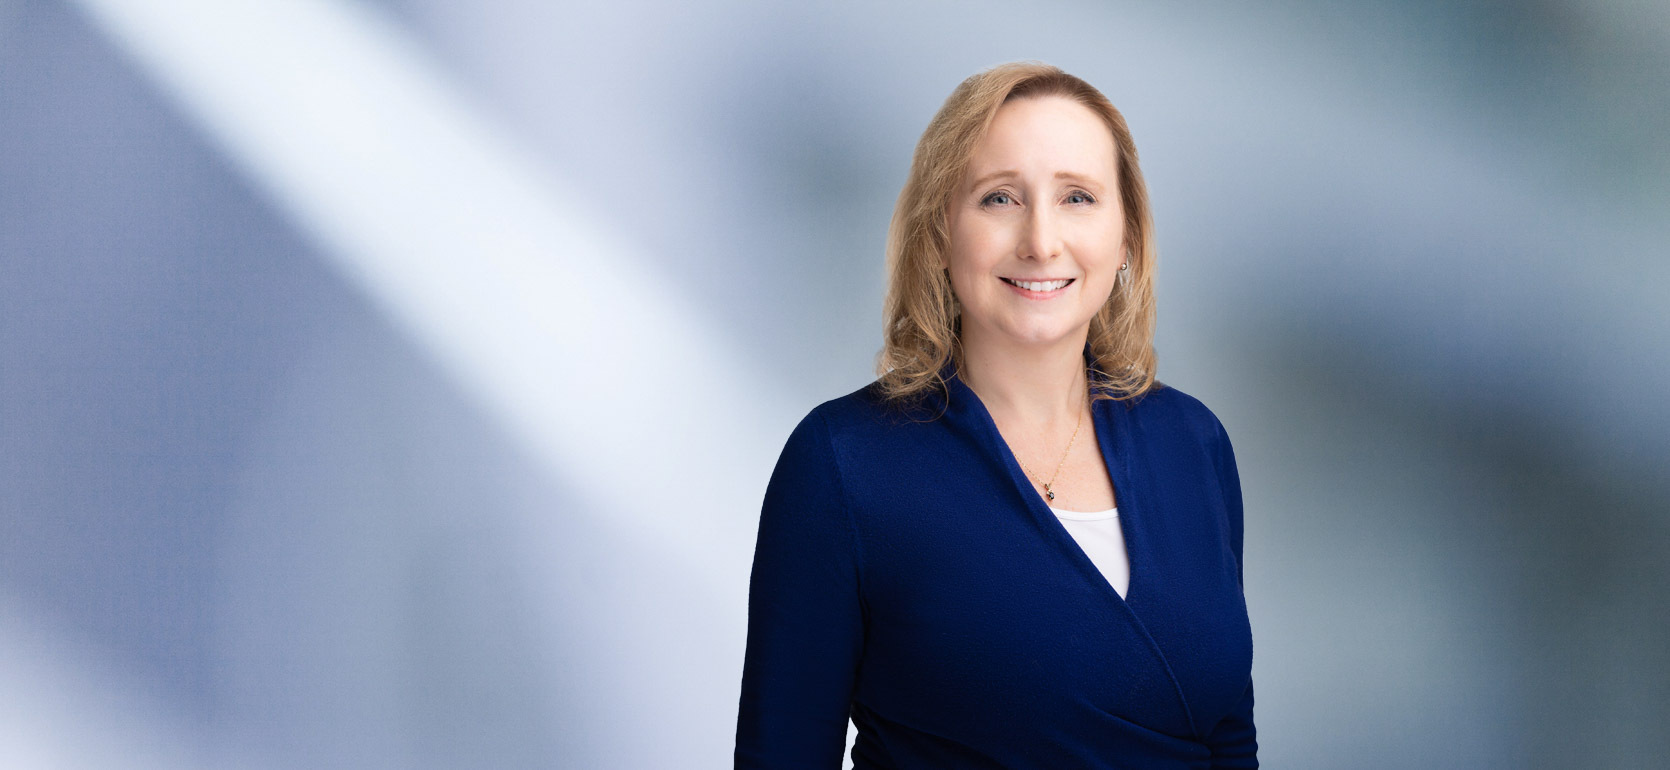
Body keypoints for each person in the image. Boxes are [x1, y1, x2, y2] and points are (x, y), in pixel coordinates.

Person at [735, 61, 1257, 769]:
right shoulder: (843, 464)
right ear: (941, 231)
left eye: (1077, 197)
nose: (1041, 241)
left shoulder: (1193, 443)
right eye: (1000, 198)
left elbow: (1229, 739)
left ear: (1127, 236)